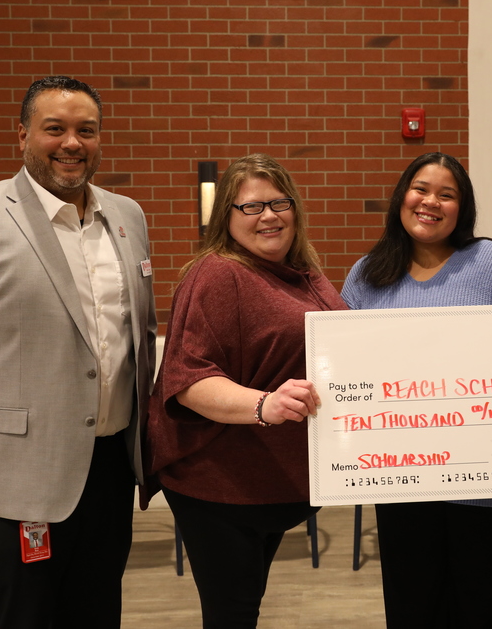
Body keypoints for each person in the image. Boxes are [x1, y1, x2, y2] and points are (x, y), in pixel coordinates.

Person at [0, 75, 157, 628]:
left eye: (86, 130)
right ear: (22, 135)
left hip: (108, 469)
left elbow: (135, 339)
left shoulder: (127, 217)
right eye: (55, 129)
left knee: (97, 615)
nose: (72, 143)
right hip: (12, 479)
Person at [341, 152, 492, 629]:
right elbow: (341, 364)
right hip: (400, 481)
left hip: (489, 485)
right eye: (420, 189)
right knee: (412, 606)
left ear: (463, 207)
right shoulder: (367, 274)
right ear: (402, 197)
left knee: (483, 607)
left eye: (447, 194)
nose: (430, 201)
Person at [144, 154, 345, 628]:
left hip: (272, 481)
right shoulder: (217, 274)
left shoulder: (305, 274)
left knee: (245, 607)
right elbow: (188, 379)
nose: (270, 216)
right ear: (226, 217)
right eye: (251, 207)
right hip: (222, 485)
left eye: (280, 202)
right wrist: (264, 403)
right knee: (233, 615)